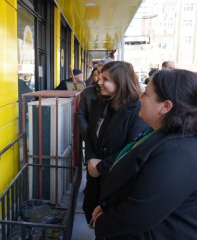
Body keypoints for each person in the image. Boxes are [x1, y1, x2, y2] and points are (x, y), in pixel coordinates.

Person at [91, 69, 197, 239]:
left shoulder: (178, 153)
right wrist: (109, 206)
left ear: (166, 106)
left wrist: (102, 221)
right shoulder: (160, 134)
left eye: (146, 93)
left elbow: (140, 213)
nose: (140, 97)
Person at [82, 61, 148, 224]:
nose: (99, 81)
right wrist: (90, 158)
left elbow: (132, 149)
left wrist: (101, 167)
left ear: (121, 82)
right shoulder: (100, 102)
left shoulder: (137, 110)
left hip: (115, 181)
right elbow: (90, 134)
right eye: (100, 77)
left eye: (105, 79)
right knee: (92, 214)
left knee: (108, 223)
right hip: (95, 177)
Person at [76, 57, 113, 141]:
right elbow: (80, 114)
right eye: (99, 72)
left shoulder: (121, 95)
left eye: (103, 73)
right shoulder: (88, 92)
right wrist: (88, 135)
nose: (100, 77)